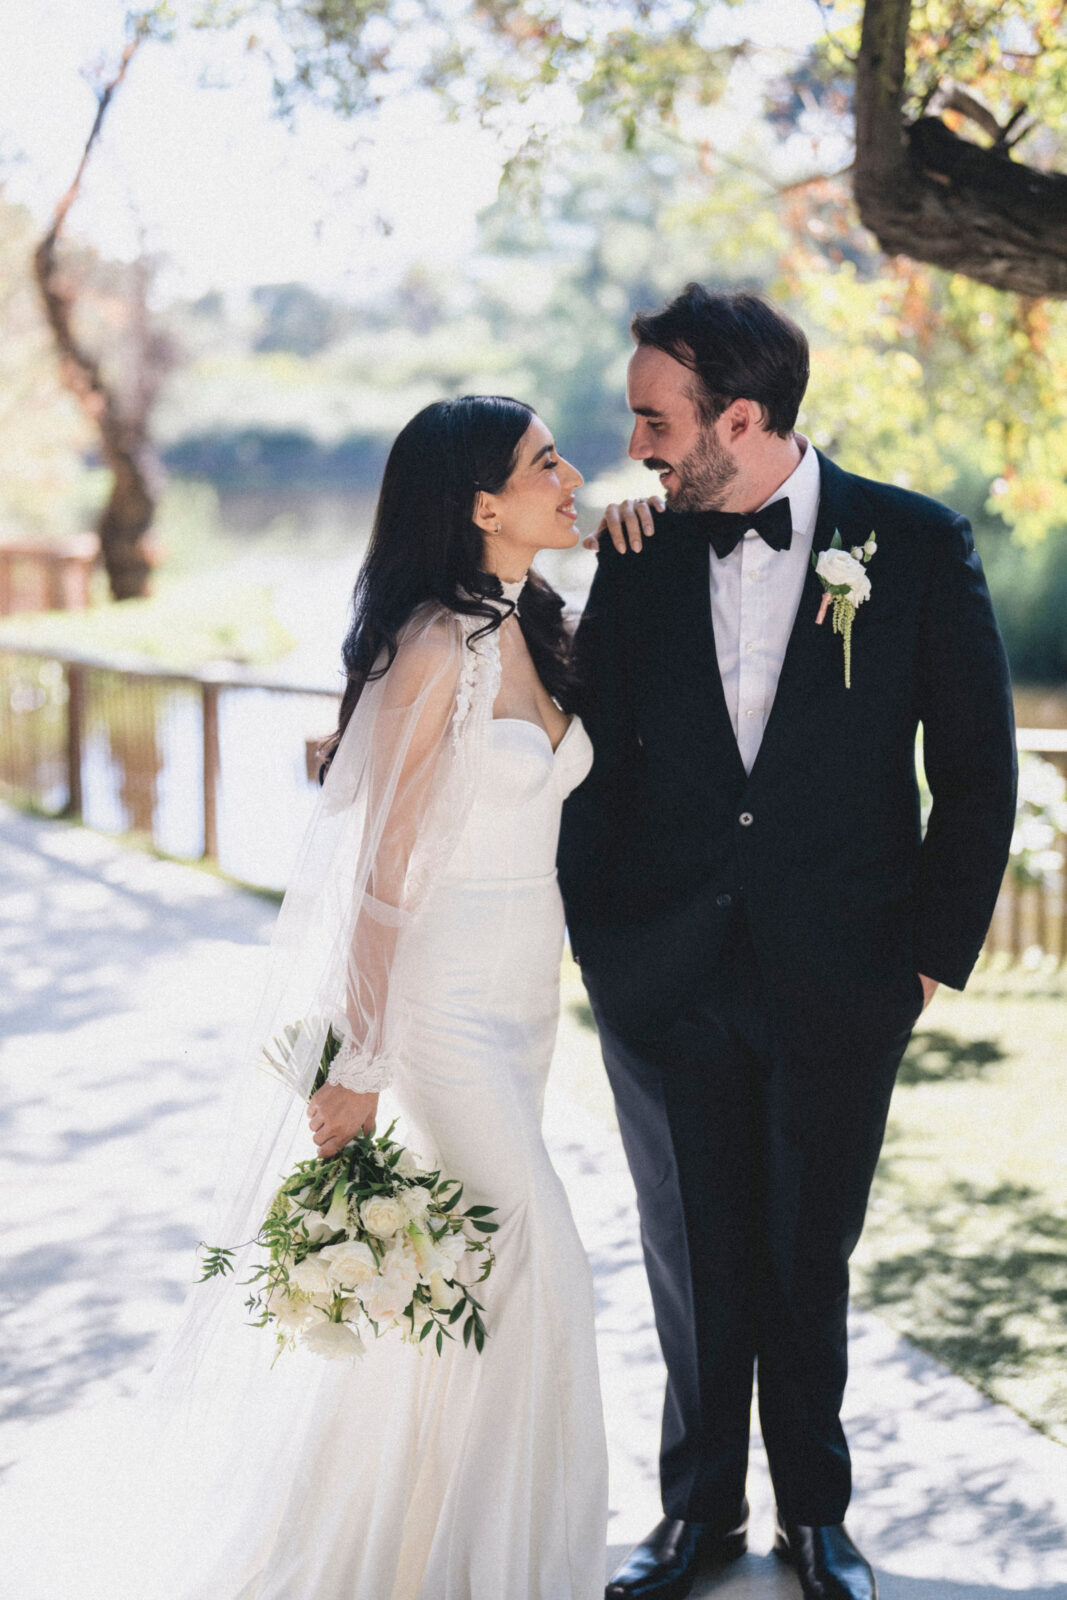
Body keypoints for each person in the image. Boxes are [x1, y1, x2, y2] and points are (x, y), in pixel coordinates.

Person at [5, 396, 608, 1600]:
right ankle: (502, 1574)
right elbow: (380, 881)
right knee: (537, 1258)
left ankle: (413, 1543)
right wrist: (363, 1061)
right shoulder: (438, 644)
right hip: (438, 1008)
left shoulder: (544, 619)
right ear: (484, 504)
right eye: (546, 460)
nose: (572, 472)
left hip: (525, 999)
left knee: (475, 1281)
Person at [558, 285, 1017, 1600]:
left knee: (806, 1252)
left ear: (739, 418)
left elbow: (974, 774)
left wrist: (925, 956)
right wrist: (601, 942)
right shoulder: (633, 551)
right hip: (665, 976)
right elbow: (588, 764)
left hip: (844, 974)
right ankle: (694, 1517)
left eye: (653, 418)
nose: (635, 442)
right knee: (689, 1260)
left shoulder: (914, 544)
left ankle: (817, 1518)